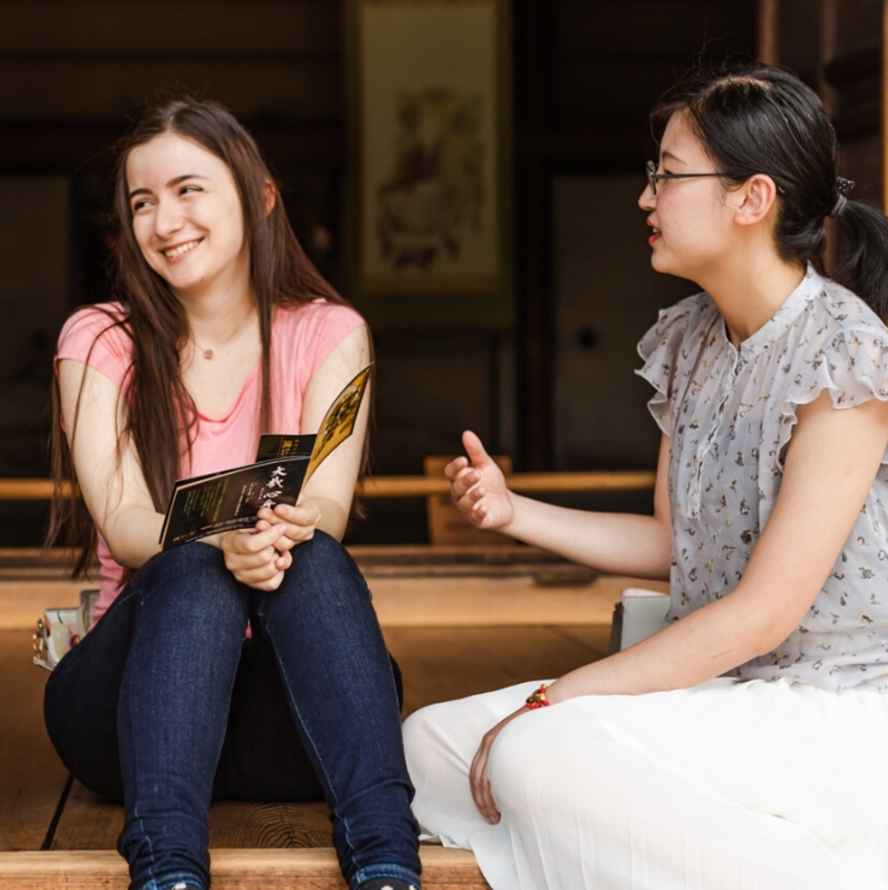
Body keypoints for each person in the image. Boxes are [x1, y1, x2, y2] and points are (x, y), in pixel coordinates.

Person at [404, 64, 888, 889]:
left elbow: (762, 616)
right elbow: (674, 541)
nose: (645, 198)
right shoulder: (693, 340)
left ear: (751, 199)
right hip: (723, 698)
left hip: (830, 713)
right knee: (428, 746)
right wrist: (513, 510)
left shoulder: (842, 352)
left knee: (534, 752)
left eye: (666, 175)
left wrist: (559, 697)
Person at [43, 97, 420, 890]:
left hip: (286, 719)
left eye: (188, 189)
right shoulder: (99, 339)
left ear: (260, 193)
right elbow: (121, 521)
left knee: (311, 557)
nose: (163, 220)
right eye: (141, 202)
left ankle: (388, 860)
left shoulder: (328, 332)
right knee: (187, 567)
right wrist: (220, 536)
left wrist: (274, 526)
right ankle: (167, 867)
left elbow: (331, 508)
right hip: (129, 711)